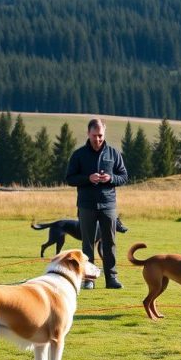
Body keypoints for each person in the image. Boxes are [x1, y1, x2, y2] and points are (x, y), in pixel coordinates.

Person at [65, 118, 128, 289]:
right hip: (86, 205)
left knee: (110, 243)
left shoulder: (114, 154)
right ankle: (88, 279)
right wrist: (87, 178)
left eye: (100, 135)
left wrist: (111, 178)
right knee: (87, 244)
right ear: (88, 133)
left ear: (104, 133)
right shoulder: (78, 155)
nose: (98, 139)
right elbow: (69, 178)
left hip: (108, 205)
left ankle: (112, 279)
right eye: (95, 135)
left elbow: (124, 177)